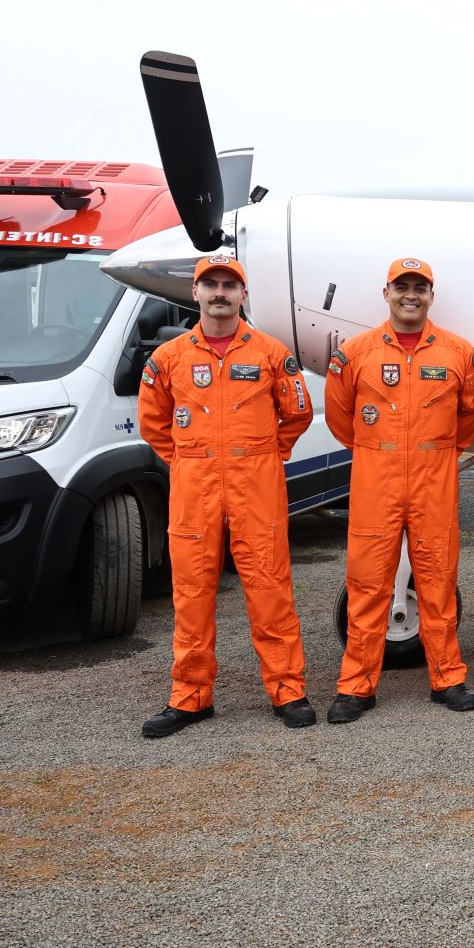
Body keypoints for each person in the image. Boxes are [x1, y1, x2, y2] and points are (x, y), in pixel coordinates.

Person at [137, 253, 316, 737]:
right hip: (194, 485)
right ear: (195, 293)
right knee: (191, 592)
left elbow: (297, 412)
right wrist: (188, 459)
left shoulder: (271, 353)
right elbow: (153, 423)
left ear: (243, 295)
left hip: (255, 482)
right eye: (210, 284)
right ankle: (190, 697)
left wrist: (267, 453)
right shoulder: (168, 358)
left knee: (269, 588)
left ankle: (288, 690)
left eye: (229, 285)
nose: (219, 293)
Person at [324, 258, 474, 723]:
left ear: (431, 295)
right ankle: (357, 686)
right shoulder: (354, 353)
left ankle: (448, 678)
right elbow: (341, 419)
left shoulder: (460, 353)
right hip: (376, 476)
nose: (410, 295)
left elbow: (471, 417)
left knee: (437, 579)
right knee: (368, 582)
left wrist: (434, 452)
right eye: (402, 286)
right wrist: (380, 451)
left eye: (419, 287)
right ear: (387, 292)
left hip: (433, 476)